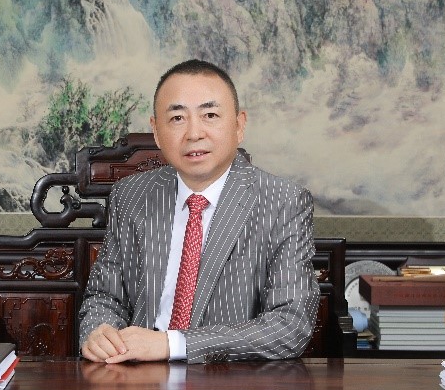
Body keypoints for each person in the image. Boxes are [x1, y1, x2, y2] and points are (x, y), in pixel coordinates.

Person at [79, 59, 319, 364]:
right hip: (135, 375)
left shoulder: (282, 202)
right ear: (156, 131)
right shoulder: (131, 195)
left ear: (239, 125)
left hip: (229, 382)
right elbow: (104, 296)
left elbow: (290, 325)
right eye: (177, 118)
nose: (194, 133)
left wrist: (172, 344)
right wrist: (99, 332)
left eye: (210, 115)